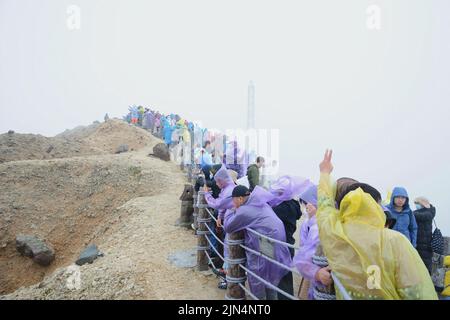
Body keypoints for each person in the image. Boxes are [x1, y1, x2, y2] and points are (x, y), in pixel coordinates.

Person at [316, 149, 437, 299]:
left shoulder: (333, 234)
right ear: (374, 206)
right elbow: (414, 291)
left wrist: (324, 173)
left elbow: (324, 206)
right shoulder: (394, 240)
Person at [224, 185, 292, 300]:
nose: (232, 202)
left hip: (265, 244)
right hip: (277, 243)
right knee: (270, 278)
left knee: (256, 277)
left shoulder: (244, 211)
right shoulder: (260, 202)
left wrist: (231, 211)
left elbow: (228, 226)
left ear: (240, 199)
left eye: (233, 199)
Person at [268, 176, 307, 299]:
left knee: (282, 275)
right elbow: (299, 214)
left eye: (280, 191)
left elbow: (269, 216)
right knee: (286, 273)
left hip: (282, 244)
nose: (277, 193)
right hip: (289, 241)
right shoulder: (294, 203)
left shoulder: (281, 207)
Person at [292, 184, 333, 300]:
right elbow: (303, 245)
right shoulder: (307, 222)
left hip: (318, 270)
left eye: (309, 202)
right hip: (310, 268)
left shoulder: (322, 224)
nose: (306, 206)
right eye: (305, 203)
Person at [203, 165, 236, 289]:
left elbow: (217, 204)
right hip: (229, 223)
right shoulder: (228, 188)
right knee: (228, 251)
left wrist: (207, 194)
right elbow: (223, 206)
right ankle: (226, 275)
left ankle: (229, 281)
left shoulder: (228, 190)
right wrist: (220, 217)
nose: (216, 184)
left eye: (217, 182)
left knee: (231, 253)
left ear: (222, 181)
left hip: (233, 226)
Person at [413, 197, 436, 274]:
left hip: (424, 244)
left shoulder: (427, 213)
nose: (416, 205)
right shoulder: (427, 212)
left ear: (422, 203)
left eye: (417, 203)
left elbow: (420, 216)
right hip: (423, 244)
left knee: (423, 267)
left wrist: (409, 213)